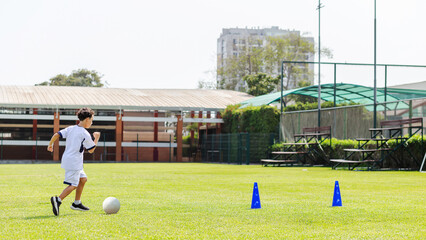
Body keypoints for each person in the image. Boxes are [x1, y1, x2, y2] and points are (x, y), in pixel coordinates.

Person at [47, 107, 100, 216]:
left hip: (69, 160)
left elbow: (57, 134)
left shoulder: (71, 128)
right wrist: (96, 138)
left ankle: (77, 203)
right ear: (87, 119)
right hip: (74, 162)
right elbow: (91, 150)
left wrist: (50, 144)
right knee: (73, 185)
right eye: (91, 120)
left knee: (83, 179)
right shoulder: (85, 133)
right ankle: (58, 199)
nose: (92, 122)